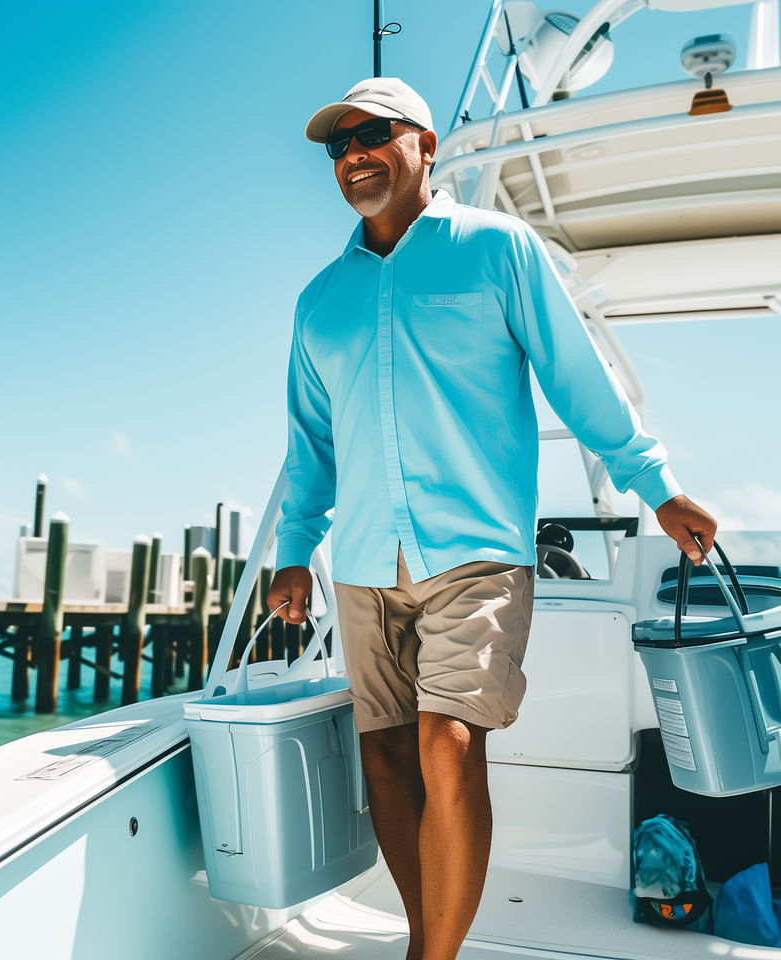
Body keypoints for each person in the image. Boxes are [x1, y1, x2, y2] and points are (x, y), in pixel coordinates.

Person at [266, 77, 717, 960]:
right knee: (387, 762)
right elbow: (308, 444)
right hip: (360, 562)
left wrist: (656, 484)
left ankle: (432, 959)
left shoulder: (500, 249)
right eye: (337, 144)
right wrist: (292, 550)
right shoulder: (319, 302)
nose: (353, 154)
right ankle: (427, 937)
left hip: (476, 554)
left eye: (373, 134)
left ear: (426, 146)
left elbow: (577, 379)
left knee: (447, 743)